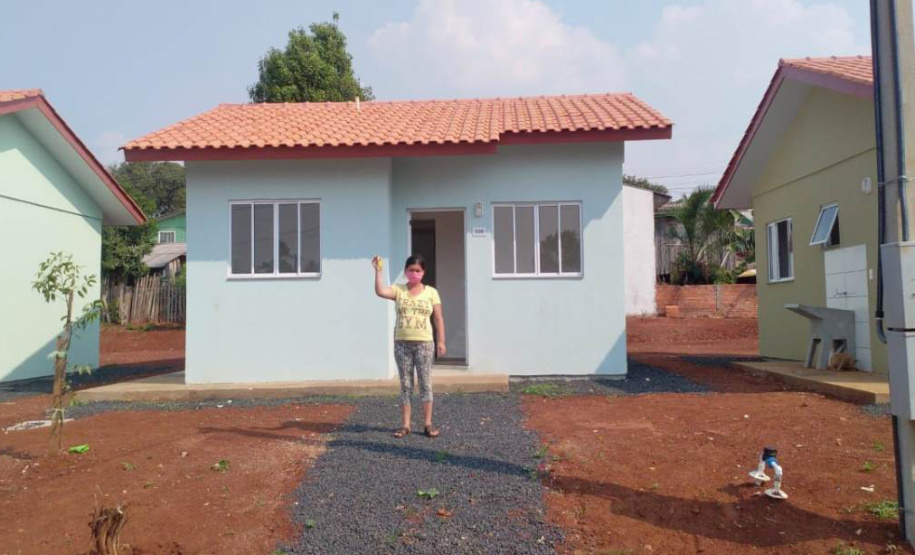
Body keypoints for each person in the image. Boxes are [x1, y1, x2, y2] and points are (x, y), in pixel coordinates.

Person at [372, 254, 446, 438]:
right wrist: (378, 271)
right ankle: (405, 425)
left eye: (418, 270)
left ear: (423, 272)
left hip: (425, 344)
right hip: (402, 344)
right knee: (406, 384)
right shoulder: (398, 290)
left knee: (425, 383)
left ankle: (428, 424)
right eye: (411, 270)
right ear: (405, 272)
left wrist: (441, 341)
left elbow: (438, 318)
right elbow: (380, 291)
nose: (414, 273)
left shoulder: (431, 292)